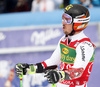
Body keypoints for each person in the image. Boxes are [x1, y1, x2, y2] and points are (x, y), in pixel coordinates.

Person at [15, 4, 96, 87]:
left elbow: (78, 71)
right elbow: (53, 63)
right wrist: (29, 68)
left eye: (67, 20)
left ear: (78, 23)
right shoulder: (64, 40)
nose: (63, 23)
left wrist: (59, 75)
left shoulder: (85, 45)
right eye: (63, 18)